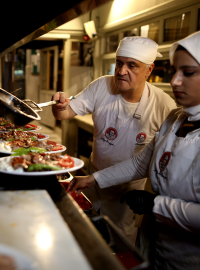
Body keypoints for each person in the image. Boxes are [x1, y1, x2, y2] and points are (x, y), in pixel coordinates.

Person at [67, 28, 200, 269]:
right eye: (174, 71)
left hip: (198, 261)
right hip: (155, 246)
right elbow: (141, 162)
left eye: (187, 72)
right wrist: (93, 179)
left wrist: (157, 206)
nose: (175, 81)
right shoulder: (176, 117)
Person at [52, 37, 177, 244]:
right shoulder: (102, 86)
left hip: (126, 192)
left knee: (119, 242)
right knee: (84, 234)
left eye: (132, 65)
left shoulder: (163, 105)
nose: (121, 71)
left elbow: (167, 156)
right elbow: (65, 113)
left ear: (149, 70)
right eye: (119, 63)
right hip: (92, 180)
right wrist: (59, 105)